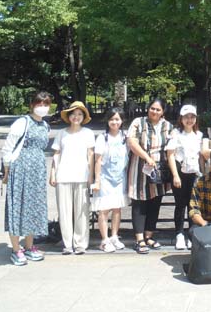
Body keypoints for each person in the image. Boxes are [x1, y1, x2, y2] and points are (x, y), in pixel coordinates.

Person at [2, 91, 52, 266]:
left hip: (37, 171)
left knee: (33, 208)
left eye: (46, 104)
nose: (43, 108)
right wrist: (7, 171)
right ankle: (16, 250)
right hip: (20, 169)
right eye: (39, 104)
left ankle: (30, 246)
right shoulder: (22, 123)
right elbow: (8, 147)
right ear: (32, 105)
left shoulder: (45, 125)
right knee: (17, 207)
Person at [126, 98, 173, 254]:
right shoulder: (138, 122)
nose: (155, 111)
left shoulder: (167, 126)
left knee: (155, 202)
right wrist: (146, 157)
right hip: (139, 168)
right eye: (152, 108)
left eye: (158, 109)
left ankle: (149, 236)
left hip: (159, 170)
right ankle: (139, 239)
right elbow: (132, 142)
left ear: (163, 112)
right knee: (139, 203)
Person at [49, 101, 95, 255]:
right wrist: (52, 173)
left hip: (82, 176)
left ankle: (80, 243)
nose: (76, 117)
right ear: (68, 116)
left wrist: (91, 175)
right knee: (65, 212)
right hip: (63, 176)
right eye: (73, 114)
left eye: (80, 114)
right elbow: (56, 154)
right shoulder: (61, 133)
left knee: (82, 212)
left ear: (84, 117)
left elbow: (90, 155)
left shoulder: (88, 133)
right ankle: (67, 243)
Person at [91, 107, 130, 253]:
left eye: (118, 119)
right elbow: (98, 160)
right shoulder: (102, 137)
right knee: (104, 209)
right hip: (105, 178)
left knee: (117, 208)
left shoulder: (125, 137)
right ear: (107, 121)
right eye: (112, 119)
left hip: (120, 177)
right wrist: (97, 180)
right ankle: (104, 239)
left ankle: (114, 236)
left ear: (122, 120)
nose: (115, 122)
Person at [166, 104, 203, 250]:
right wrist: (175, 175)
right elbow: (170, 155)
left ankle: (192, 234)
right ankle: (179, 234)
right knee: (180, 205)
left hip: (194, 174)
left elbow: (200, 157)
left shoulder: (199, 135)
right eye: (186, 117)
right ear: (181, 118)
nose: (189, 120)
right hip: (180, 173)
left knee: (193, 205)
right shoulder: (176, 133)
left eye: (192, 117)